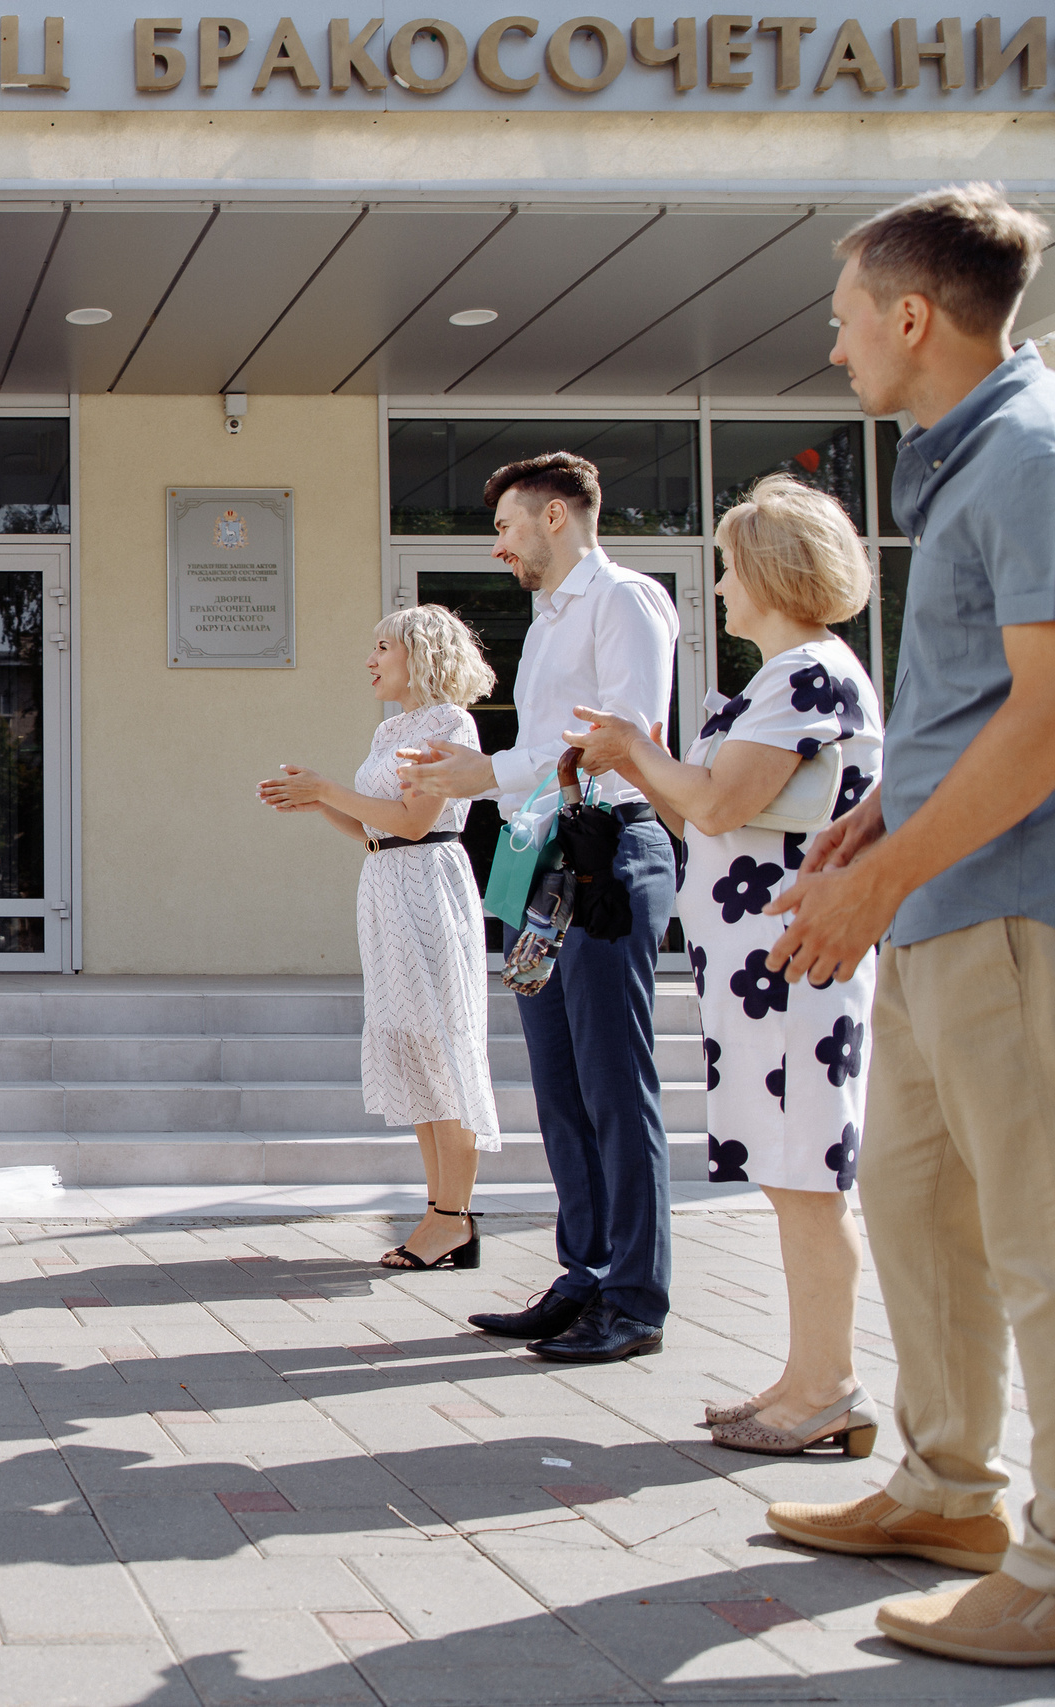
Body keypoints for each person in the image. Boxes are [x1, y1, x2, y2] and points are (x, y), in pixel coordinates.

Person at [753, 184, 1055, 1667]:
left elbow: (1051, 723)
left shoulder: (1032, 456)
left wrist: (877, 876)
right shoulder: (976, 463)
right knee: (923, 1220)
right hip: (945, 903)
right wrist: (882, 821)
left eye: (846, 313)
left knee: (1039, 1243)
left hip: (1015, 917)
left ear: (915, 317)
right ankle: (950, 1491)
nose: (833, 344)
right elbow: (986, 704)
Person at [570, 475, 883, 1457]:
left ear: (770, 572)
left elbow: (712, 806)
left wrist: (632, 751)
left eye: (726, 567)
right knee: (792, 1177)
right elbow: (708, 809)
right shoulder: (786, 679)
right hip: (763, 968)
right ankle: (806, 1380)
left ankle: (825, 1387)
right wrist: (650, 764)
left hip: (790, 964)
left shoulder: (804, 677)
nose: (715, 587)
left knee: (804, 1174)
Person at [400, 451, 679, 1363]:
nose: (498, 547)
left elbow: (618, 741)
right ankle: (584, 1274)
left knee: (611, 1084)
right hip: (546, 862)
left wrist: (486, 774)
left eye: (508, 526)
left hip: (606, 858)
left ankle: (634, 1298)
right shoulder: (550, 616)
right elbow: (543, 751)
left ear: (556, 517)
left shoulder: (624, 600)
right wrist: (497, 784)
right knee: (560, 1088)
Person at [260, 605, 501, 1271]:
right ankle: (442, 1212)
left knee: (442, 1051)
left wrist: (331, 787)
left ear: (419, 653)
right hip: (389, 886)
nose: (371, 659)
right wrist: (319, 804)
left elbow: (417, 822)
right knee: (417, 1053)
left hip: (428, 887)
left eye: (382, 647)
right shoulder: (392, 727)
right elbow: (377, 831)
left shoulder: (451, 723)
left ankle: (451, 1218)